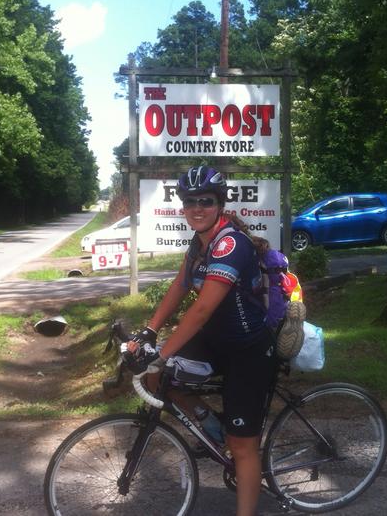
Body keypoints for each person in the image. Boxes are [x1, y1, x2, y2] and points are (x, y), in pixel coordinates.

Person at [128, 165, 276, 516]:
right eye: (190, 201)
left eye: (205, 201)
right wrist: (149, 332)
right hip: (215, 341)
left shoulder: (230, 244)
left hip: (247, 350)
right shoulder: (199, 243)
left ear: (219, 204)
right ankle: (215, 431)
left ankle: (238, 459)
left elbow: (202, 310)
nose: (197, 208)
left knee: (244, 447)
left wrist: (161, 353)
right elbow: (180, 286)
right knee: (157, 379)